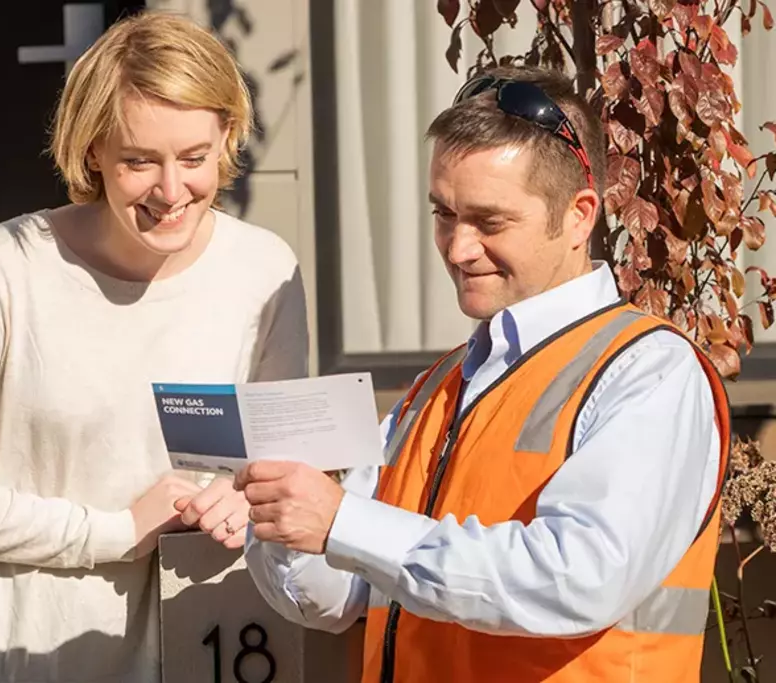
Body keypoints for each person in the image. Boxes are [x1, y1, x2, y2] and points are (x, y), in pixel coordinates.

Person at [239, 65, 730, 683]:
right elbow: (334, 599)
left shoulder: (650, 371)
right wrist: (283, 515)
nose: (457, 247)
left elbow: (578, 579)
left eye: (489, 222)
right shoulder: (437, 386)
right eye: (443, 213)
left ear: (580, 216)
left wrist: (343, 521)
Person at [0, 11, 308, 683]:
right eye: (139, 161)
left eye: (194, 158)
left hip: (153, 657)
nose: (171, 190)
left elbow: (285, 464)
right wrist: (114, 530)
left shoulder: (266, 271)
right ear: (92, 150)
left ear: (227, 137)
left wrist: (246, 498)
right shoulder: (3, 266)